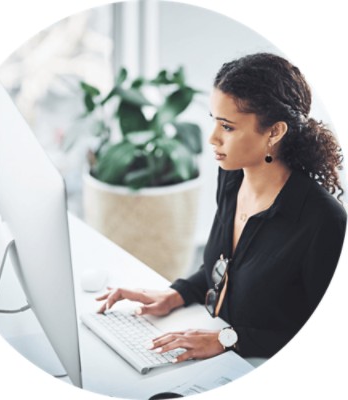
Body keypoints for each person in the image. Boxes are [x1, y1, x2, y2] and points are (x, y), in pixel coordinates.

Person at [96, 53, 347, 361]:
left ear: (275, 132)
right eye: (214, 122)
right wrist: (177, 294)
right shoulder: (230, 177)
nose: (212, 139)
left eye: (227, 127)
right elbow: (226, 266)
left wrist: (228, 340)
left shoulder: (323, 221)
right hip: (215, 346)